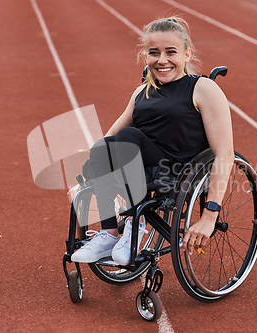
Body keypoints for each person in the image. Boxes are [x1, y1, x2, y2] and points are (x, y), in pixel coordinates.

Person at [71, 16, 234, 265]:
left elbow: (224, 154)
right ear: (146, 56)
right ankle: (110, 233)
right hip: (140, 169)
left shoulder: (202, 88)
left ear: (187, 54)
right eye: (154, 53)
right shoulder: (141, 92)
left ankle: (136, 229)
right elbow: (109, 138)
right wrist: (91, 171)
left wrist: (210, 214)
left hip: (178, 171)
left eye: (171, 52)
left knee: (126, 137)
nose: (162, 60)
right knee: (105, 145)